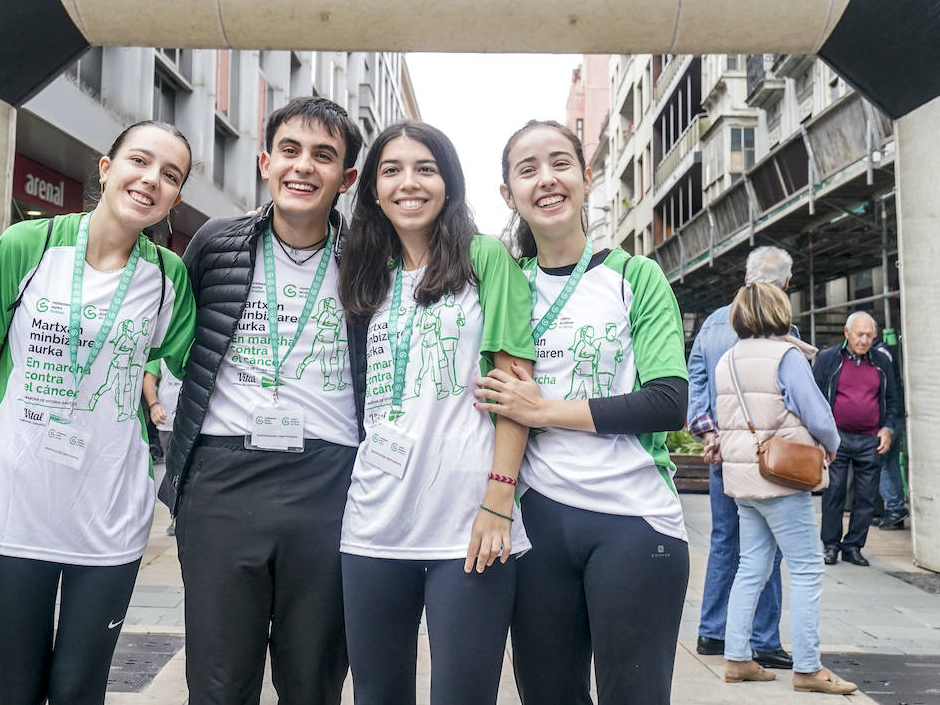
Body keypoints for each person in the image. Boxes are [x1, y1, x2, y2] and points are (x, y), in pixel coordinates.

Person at [0, 121, 197, 704]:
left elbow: (177, 374)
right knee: (16, 691)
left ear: (175, 199)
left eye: (170, 175)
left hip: (109, 516)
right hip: (14, 509)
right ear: (106, 168)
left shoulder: (169, 277)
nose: (151, 179)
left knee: (81, 690)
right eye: (139, 160)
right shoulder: (27, 246)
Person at [473, 120, 690, 704]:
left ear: (586, 178)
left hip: (633, 519)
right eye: (527, 169)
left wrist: (544, 410)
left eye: (560, 164)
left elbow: (669, 402)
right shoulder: (505, 287)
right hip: (536, 524)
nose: (546, 179)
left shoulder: (634, 277)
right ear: (507, 193)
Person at [161, 97, 363, 705]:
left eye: (324, 156)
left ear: (347, 178)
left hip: (333, 484)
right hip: (224, 479)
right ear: (265, 161)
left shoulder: (369, 260)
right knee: (220, 682)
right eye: (291, 151)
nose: (304, 167)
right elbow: (178, 341)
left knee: (313, 680)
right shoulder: (216, 242)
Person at [337, 121, 536, 705]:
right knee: (376, 694)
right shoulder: (365, 268)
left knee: (464, 694)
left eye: (425, 168)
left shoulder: (486, 258)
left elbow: (515, 390)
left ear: (448, 182)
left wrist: (498, 500)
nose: (409, 183)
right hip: (373, 520)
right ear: (373, 188)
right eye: (391, 170)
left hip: (469, 523)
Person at [715, 282, 856, 695]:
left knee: (751, 566)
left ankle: (738, 658)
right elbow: (819, 415)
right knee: (809, 568)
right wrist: (831, 447)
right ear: (779, 312)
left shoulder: (728, 359)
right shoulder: (786, 356)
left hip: (743, 479)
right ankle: (809, 668)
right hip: (782, 480)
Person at [686, 246, 795, 670]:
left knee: (724, 541)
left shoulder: (714, 324)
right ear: (786, 284)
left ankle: (712, 631)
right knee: (768, 546)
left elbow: (696, 383)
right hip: (768, 459)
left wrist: (710, 434)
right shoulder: (782, 328)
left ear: (745, 277)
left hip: (723, 455)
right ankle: (764, 639)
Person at [812, 310, 898, 566]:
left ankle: (854, 546)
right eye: (859, 334)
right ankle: (830, 545)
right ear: (847, 333)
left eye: (869, 335)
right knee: (834, 490)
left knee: (867, 495)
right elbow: (814, 397)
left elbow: (893, 399)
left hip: (870, 438)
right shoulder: (829, 359)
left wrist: (888, 428)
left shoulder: (882, 362)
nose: (863, 340)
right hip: (837, 437)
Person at [873, 336, 909, 529]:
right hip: (896, 414)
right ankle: (895, 509)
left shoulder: (879, 354)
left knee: (880, 462)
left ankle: (895, 507)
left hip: (889, 416)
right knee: (891, 461)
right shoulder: (885, 350)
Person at [141, 358, 180, 532]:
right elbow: (149, 378)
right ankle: (175, 513)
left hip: (196, 421)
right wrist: (154, 405)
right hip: (168, 421)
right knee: (172, 470)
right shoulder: (164, 351)